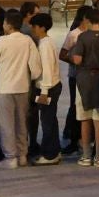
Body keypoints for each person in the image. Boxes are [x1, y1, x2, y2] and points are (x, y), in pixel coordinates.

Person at [0, 9, 37, 169]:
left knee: (7, 124)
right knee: (22, 122)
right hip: (23, 86)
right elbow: (35, 67)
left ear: (8, 24)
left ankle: (10, 157)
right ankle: (22, 155)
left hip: (6, 87)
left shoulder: (2, 41)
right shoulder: (27, 40)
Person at [67, 7, 99, 166]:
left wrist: (72, 52)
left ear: (87, 20)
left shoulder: (82, 37)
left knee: (85, 118)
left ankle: (87, 156)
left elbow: (77, 60)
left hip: (85, 79)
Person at [25, 11, 64, 165]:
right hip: (51, 85)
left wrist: (44, 91)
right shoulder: (47, 42)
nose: (33, 29)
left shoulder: (45, 45)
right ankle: (54, 150)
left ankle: (49, 155)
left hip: (48, 87)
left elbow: (47, 68)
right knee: (50, 121)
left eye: (34, 26)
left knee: (47, 122)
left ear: (41, 27)